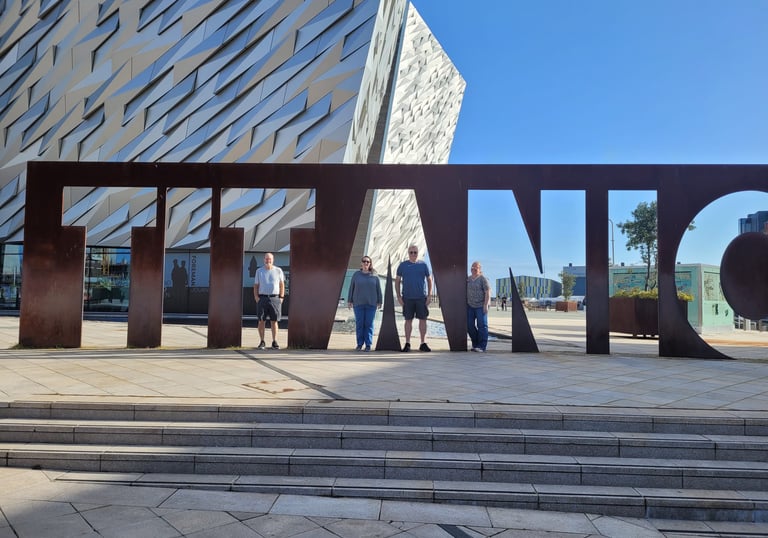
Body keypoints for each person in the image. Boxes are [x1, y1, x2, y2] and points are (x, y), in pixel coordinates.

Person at [395, 245, 433, 352]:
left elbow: (429, 280)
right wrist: (398, 296)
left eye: (415, 252)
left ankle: (423, 343)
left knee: (423, 320)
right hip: (407, 298)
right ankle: (407, 343)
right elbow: (397, 281)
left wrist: (429, 295)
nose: (413, 254)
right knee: (408, 320)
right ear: (408, 253)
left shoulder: (423, 265)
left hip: (421, 298)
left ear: (418, 253)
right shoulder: (403, 265)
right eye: (411, 252)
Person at [347, 255, 382, 351]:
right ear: (361, 263)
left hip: (371, 304)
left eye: (368, 262)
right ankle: (359, 344)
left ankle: (368, 344)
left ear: (370, 264)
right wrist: (349, 300)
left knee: (369, 324)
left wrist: (380, 301)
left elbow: (378, 289)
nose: (366, 263)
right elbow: (351, 288)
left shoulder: (374, 275)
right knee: (359, 324)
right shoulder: (356, 275)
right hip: (358, 304)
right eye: (364, 261)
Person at [253, 252, 285, 350]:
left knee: (274, 321)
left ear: (273, 260)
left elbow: (282, 284)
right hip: (262, 298)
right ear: (264, 260)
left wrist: (281, 297)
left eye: (270, 259)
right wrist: (256, 297)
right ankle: (262, 341)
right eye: (266, 259)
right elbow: (256, 286)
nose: (268, 261)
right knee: (261, 321)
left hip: (275, 298)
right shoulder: (259, 271)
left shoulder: (278, 270)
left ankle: (274, 341)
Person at [467, 261, 491, 352]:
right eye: (472, 267)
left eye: (475, 268)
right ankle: (475, 343)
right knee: (469, 325)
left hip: (481, 306)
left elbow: (487, 291)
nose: (473, 269)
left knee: (482, 326)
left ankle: (482, 346)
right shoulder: (468, 279)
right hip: (470, 306)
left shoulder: (483, 279)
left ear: (479, 269)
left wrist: (485, 305)